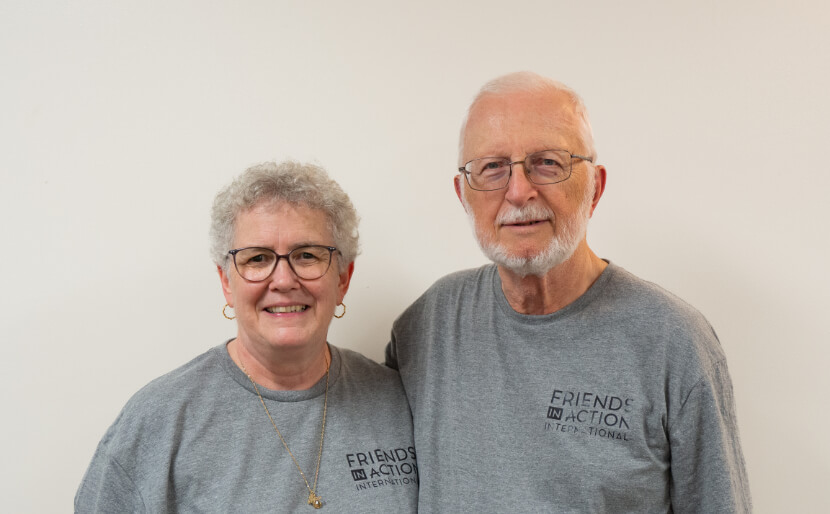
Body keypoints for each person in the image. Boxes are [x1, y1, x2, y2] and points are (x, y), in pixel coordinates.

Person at [386, 72, 751, 513]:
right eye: (492, 168)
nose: (518, 192)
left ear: (594, 187)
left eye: (548, 163)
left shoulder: (673, 342)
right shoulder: (427, 325)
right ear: (464, 195)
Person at [77, 161, 418, 512]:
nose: (284, 280)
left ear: (343, 278)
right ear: (227, 281)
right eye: (258, 258)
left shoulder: (398, 403)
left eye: (307, 255)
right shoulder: (159, 422)